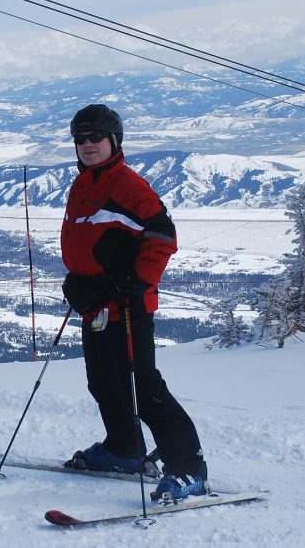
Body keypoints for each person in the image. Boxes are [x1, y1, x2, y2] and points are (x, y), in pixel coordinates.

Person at [60, 103, 208, 501]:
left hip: (127, 307)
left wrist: (135, 282)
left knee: (145, 388)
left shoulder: (127, 184)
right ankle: (125, 449)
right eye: (81, 139)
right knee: (105, 382)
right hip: (96, 306)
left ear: (114, 141)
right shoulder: (84, 182)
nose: (87, 145)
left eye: (95, 138)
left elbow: (163, 234)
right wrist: (78, 281)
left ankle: (189, 469)